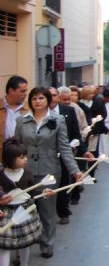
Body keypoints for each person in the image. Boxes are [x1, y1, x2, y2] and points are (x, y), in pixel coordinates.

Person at [14, 87, 85, 259]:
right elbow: (16, 147)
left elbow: (65, 148)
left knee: (46, 210)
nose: (37, 101)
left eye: (41, 98)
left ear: (48, 101)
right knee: (23, 209)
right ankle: (21, 248)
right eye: (34, 98)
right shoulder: (21, 121)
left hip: (49, 171)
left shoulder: (58, 120)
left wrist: (75, 171)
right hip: (25, 172)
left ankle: (47, 244)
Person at [0, 140, 54, 266]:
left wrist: (45, 192)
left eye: (25, 156)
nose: (26, 159)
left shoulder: (28, 173)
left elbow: (34, 192)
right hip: (6, 212)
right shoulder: (1, 175)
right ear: (9, 158)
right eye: (21, 157)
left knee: (25, 243)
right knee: (4, 246)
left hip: (25, 210)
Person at [49, 88, 82, 226]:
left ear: (58, 97)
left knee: (63, 184)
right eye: (48, 96)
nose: (51, 98)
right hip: (46, 156)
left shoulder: (68, 111)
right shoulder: (37, 114)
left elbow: (75, 132)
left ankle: (63, 212)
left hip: (63, 153)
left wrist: (80, 148)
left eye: (54, 95)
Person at [59, 87, 88, 206]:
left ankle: (74, 195)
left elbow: (79, 128)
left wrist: (79, 146)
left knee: (73, 172)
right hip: (59, 148)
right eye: (64, 99)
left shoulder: (74, 109)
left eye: (68, 99)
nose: (67, 102)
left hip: (72, 147)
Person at [0, 76, 29, 154]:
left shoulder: (30, 108)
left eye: (26, 91)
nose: (26, 94)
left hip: (23, 155)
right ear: (11, 91)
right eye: (22, 91)